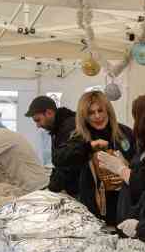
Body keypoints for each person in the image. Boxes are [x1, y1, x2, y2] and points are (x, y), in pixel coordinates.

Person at [52, 90, 136, 226]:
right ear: (84, 116)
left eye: (100, 110)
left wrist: (125, 170)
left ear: (108, 110)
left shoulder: (125, 133)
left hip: (124, 206)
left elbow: (138, 162)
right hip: (93, 209)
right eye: (91, 113)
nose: (97, 116)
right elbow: (58, 158)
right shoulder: (79, 137)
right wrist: (88, 147)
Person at [25, 95, 78, 195]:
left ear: (49, 113)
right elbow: (58, 163)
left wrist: (51, 190)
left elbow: (66, 165)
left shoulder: (69, 127)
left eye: (38, 120)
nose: (38, 125)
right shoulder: (58, 129)